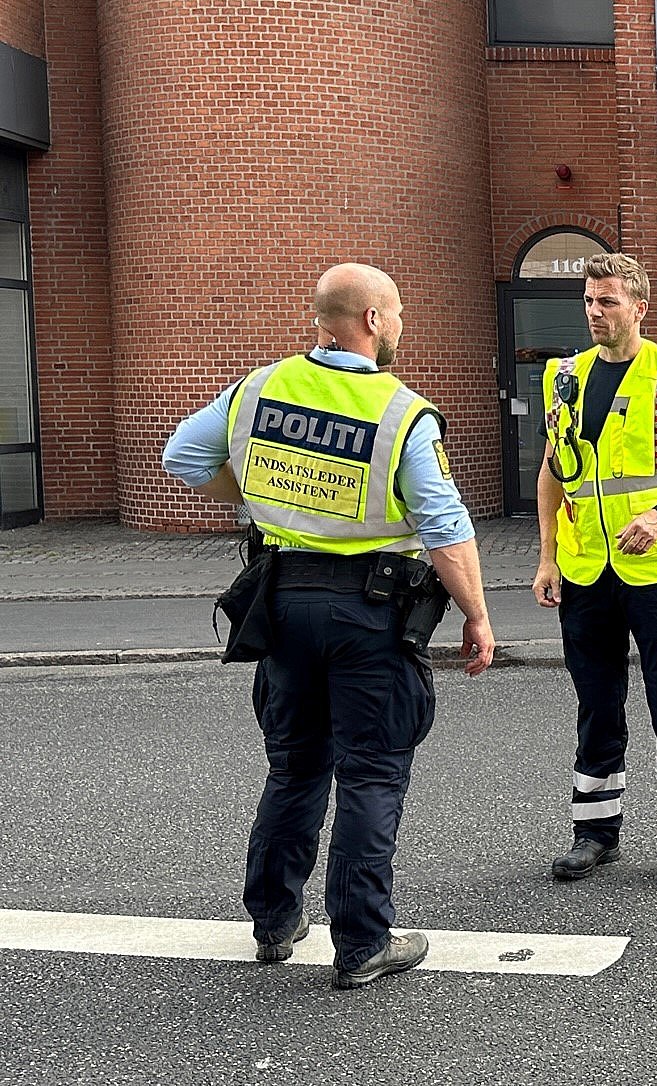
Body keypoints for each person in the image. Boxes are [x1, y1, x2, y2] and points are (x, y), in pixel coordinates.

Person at [161, 262, 496, 990]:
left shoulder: (259, 388)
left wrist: (256, 496)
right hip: (369, 613)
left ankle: (276, 922)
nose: (402, 325)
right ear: (373, 320)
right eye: (398, 312)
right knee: (371, 774)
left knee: (295, 767)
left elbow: (181, 455)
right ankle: (362, 943)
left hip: (280, 606)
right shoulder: (401, 411)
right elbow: (442, 523)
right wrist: (475, 612)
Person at [533, 252, 657, 888]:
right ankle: (594, 832)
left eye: (608, 302)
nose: (595, 313)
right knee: (596, 704)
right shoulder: (564, 376)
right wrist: (546, 554)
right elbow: (553, 470)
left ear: (640, 307)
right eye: (589, 301)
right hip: (586, 568)